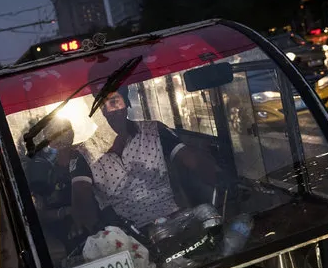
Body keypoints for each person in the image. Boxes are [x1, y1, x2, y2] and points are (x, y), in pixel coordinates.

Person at [70, 84, 222, 234]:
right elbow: (81, 196)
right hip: (126, 236)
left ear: (127, 102)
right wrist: (95, 231)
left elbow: (191, 160)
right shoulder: (84, 153)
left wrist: (220, 181)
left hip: (173, 221)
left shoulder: (155, 131)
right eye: (100, 106)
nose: (108, 110)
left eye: (114, 101)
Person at [25, 117, 85, 255]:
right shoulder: (40, 168)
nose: (62, 139)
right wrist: (66, 212)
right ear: (47, 140)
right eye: (55, 135)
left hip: (95, 218)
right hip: (62, 229)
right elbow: (38, 214)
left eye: (66, 132)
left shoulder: (84, 155)